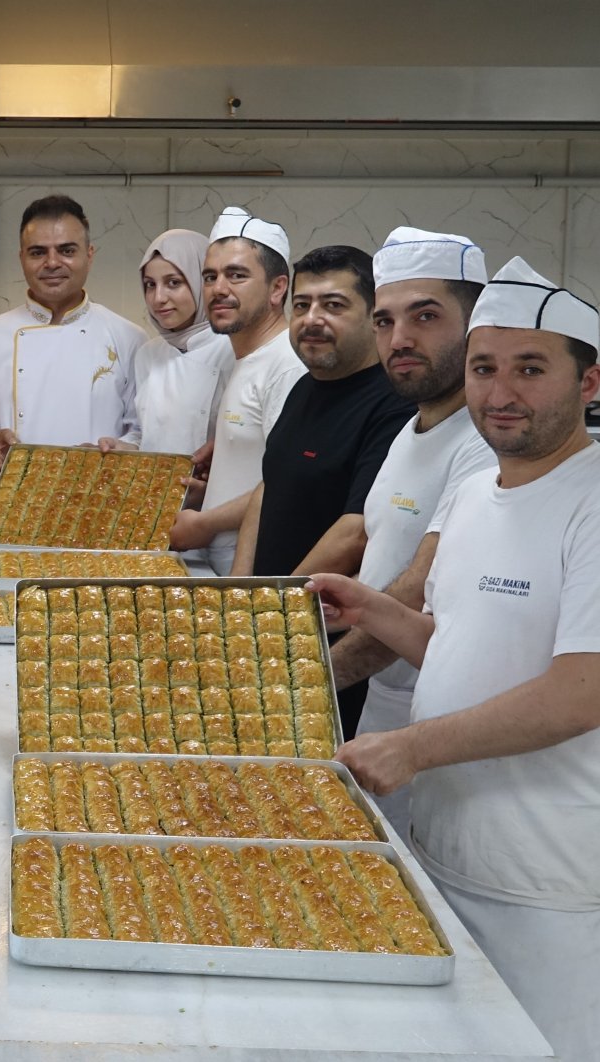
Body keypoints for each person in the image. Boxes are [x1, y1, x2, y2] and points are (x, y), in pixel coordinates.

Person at [313, 257, 600, 1060]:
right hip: (444, 853)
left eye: (529, 369)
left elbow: (582, 690)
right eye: (483, 367)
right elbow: (463, 644)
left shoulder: (592, 500)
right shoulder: (476, 493)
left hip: (548, 881)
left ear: (588, 381)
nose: (500, 391)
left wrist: (410, 746)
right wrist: (370, 609)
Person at [328, 227, 495, 839]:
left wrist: (303, 679)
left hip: (438, 729)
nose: (400, 340)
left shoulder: (484, 443)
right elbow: (379, 566)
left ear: (478, 321)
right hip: (382, 708)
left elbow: (417, 591)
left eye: (425, 316)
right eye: (385, 321)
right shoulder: (413, 428)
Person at [235, 246, 413, 578]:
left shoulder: (395, 405)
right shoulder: (304, 387)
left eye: (333, 305)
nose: (312, 319)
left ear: (375, 317)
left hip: (322, 619)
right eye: (302, 305)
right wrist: (236, 591)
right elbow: (268, 491)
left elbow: (355, 532)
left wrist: (276, 602)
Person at [0, 195, 145, 500]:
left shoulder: (128, 337)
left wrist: (119, 449)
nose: (52, 263)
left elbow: (141, 429)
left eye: (67, 251)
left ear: (90, 255)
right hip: (9, 503)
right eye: (38, 252)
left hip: (98, 500)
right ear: (21, 258)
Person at [168, 207, 305, 575]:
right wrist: (206, 497)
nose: (219, 289)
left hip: (255, 571)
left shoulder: (288, 366)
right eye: (210, 277)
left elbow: (291, 487)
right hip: (219, 563)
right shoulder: (245, 358)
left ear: (278, 288)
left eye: (237, 275)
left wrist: (206, 522)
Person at [100, 228, 233, 457]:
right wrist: (124, 446)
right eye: (150, 285)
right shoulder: (148, 354)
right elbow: (146, 433)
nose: (158, 298)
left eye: (173, 283)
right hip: (158, 487)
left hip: (215, 490)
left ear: (204, 283)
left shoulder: (232, 350)